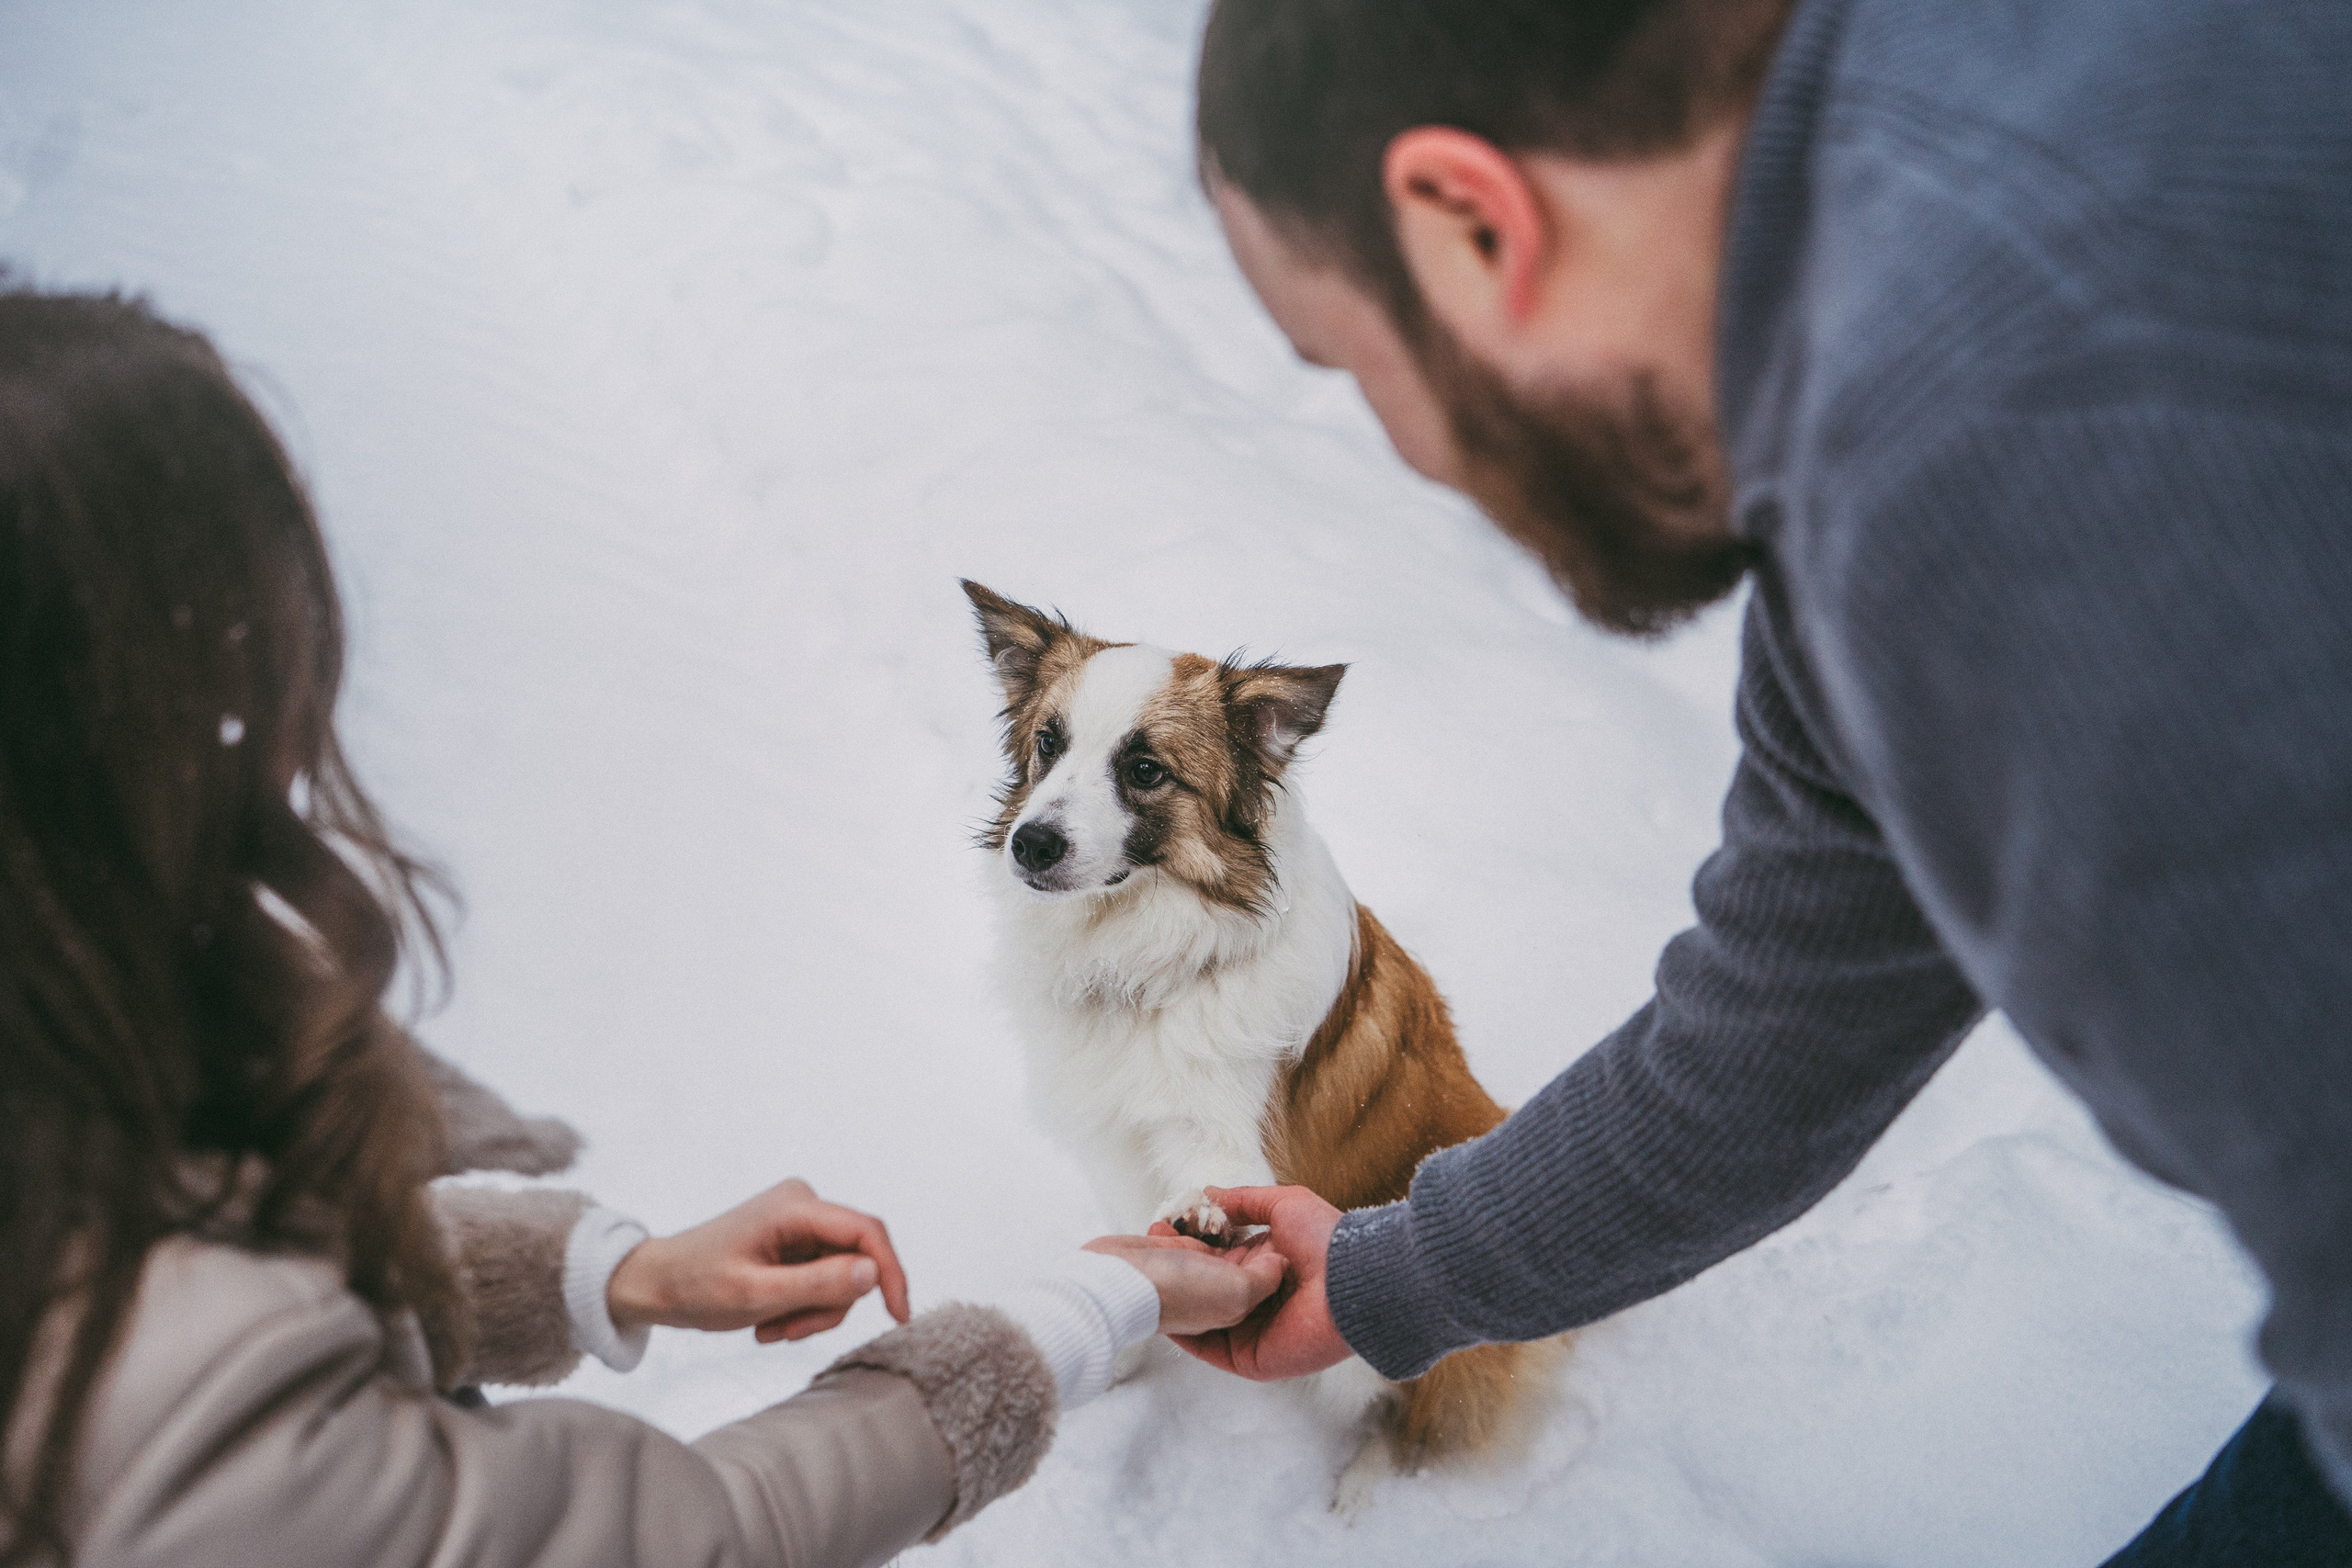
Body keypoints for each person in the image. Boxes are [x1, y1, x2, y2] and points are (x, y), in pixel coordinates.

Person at [1174, 0, 2352, 1561]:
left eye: (1347, 361)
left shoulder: (2014, 453)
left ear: (1468, 222)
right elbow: (1779, 1022)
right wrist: (1392, 1278)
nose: (1406, 451)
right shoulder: (1909, 189)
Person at [0, 288, 1285, 1568]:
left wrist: (605, 1275)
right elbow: (693, 1536)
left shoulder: (67, 1018)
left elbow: (222, 1258)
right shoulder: (170, 1391)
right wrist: (1094, 1302)